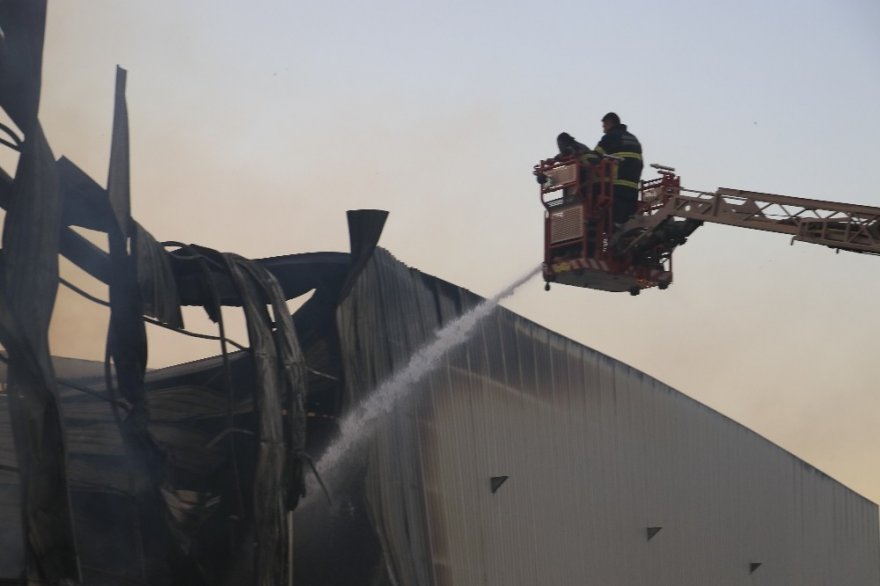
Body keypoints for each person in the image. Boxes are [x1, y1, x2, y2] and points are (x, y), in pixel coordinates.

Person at [594, 112, 643, 226]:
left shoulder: (610, 137)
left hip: (618, 183)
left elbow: (595, 156)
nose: (604, 130)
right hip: (633, 184)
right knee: (629, 220)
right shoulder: (633, 138)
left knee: (616, 221)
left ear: (609, 123)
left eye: (604, 127)